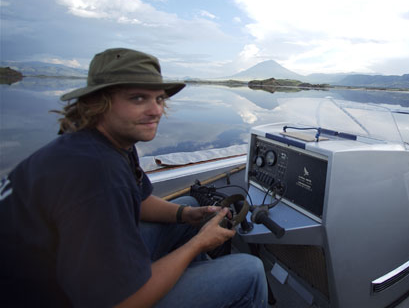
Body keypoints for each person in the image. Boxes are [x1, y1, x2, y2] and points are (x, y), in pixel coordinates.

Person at [0, 48, 268, 307]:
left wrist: (189, 215)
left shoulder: (107, 144)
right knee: (249, 272)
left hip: (65, 272)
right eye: (138, 98)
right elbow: (118, 302)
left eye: (159, 99)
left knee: (187, 208)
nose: (156, 111)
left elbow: (138, 201)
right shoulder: (96, 171)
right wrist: (198, 244)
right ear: (98, 103)